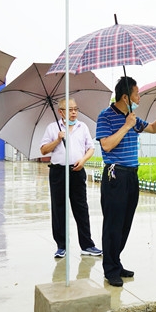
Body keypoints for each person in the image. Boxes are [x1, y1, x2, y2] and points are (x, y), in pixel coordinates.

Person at [96, 76, 156, 287]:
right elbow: (106, 145)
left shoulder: (132, 117)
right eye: (137, 94)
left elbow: (152, 128)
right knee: (113, 224)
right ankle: (110, 269)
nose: (139, 98)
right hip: (115, 175)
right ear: (126, 97)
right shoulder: (106, 116)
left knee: (125, 222)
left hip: (132, 175)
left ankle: (116, 262)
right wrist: (126, 126)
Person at [40, 98, 102, 259]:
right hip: (58, 172)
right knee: (58, 208)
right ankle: (61, 246)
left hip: (77, 170)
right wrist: (58, 139)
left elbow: (90, 148)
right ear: (60, 112)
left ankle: (87, 245)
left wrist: (83, 160)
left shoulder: (82, 127)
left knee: (81, 208)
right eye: (70, 110)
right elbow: (43, 150)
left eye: (76, 109)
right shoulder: (52, 128)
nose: (74, 112)